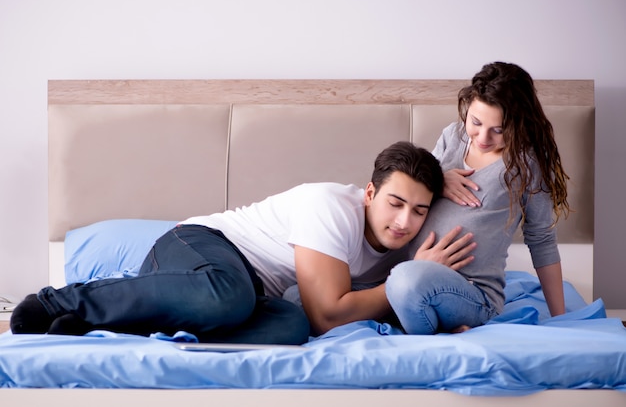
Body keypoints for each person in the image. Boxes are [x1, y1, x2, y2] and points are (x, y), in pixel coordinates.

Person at [11, 141, 476, 343]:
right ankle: (56, 302)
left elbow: (329, 318)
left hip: (246, 295)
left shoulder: (410, 243)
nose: (404, 221)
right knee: (231, 297)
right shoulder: (330, 207)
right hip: (200, 248)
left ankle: (96, 327)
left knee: (291, 328)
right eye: (395, 203)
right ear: (370, 192)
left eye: (419, 210)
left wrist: (432, 306)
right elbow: (330, 313)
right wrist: (402, 279)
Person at [385, 61, 570, 335]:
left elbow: (541, 238)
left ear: (519, 123)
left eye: (499, 129)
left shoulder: (528, 165)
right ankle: (439, 327)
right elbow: (412, 190)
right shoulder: (453, 135)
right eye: (476, 122)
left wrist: (560, 319)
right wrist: (438, 178)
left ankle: (432, 331)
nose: (483, 137)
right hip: (417, 269)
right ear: (467, 107)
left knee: (403, 280)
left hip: (471, 291)